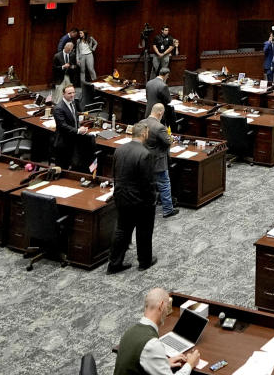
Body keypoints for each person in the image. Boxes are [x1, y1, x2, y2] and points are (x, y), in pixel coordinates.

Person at [107, 122, 158, 274]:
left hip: (121, 197)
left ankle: (114, 264)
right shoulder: (145, 154)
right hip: (140, 201)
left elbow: (115, 175)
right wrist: (152, 200)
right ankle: (144, 262)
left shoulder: (119, 149)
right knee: (144, 231)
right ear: (144, 134)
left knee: (122, 230)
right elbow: (147, 183)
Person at [114, 287, 200, 375]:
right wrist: (190, 364)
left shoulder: (130, 331)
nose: (167, 312)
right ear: (162, 306)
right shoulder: (152, 344)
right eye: (167, 307)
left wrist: (163, 363)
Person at [143, 104, 176, 219]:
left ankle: (145, 209)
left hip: (144, 161)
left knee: (146, 186)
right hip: (158, 162)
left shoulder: (141, 123)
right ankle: (168, 210)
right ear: (160, 113)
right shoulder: (160, 127)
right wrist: (170, 137)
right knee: (164, 184)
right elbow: (168, 142)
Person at [52, 83, 89, 169]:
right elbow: (63, 126)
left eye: (73, 92)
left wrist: (80, 127)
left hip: (73, 140)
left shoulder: (73, 103)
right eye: (69, 93)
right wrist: (78, 131)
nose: (72, 95)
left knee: (73, 164)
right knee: (62, 168)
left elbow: (75, 118)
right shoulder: (58, 108)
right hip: (63, 143)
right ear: (63, 94)